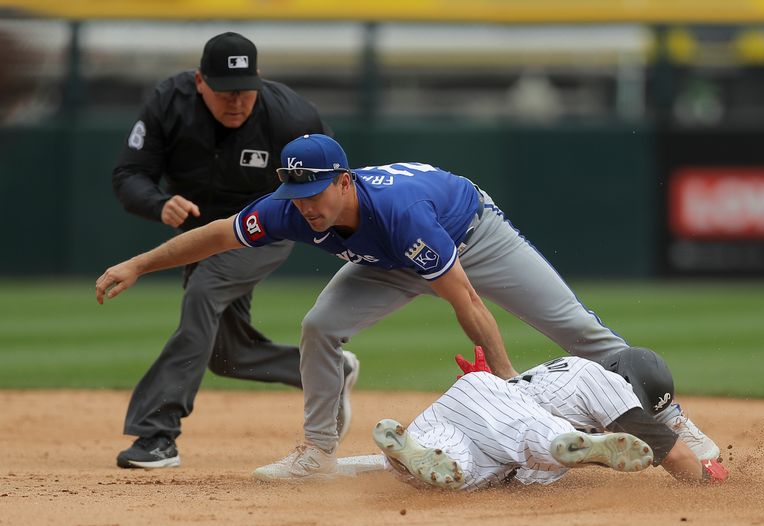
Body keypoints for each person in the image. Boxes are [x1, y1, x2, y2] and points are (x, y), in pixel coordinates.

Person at [96, 133, 718, 479]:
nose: (305, 205)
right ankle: (316, 451)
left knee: (576, 328)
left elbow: (467, 302)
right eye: (296, 193)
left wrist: (506, 385)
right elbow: (219, 233)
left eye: (315, 191)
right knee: (319, 327)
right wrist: (137, 263)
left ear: (343, 181)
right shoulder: (290, 208)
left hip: (470, 235)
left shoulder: (398, 212)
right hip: (385, 261)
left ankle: (670, 418)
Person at [110, 33, 359, 469]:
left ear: (258, 80)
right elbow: (130, 174)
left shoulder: (291, 115)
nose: (236, 101)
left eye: (245, 90)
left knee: (202, 294)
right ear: (199, 81)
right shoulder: (169, 104)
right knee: (227, 356)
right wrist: (158, 202)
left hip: (268, 225)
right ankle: (329, 372)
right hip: (200, 233)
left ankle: (157, 433)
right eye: (224, 90)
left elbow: (337, 181)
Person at [372, 347, 729, 490]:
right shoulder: (604, 380)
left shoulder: (560, 372)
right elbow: (678, 457)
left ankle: (414, 451)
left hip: (473, 398)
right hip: (520, 421)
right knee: (544, 439)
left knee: (454, 470)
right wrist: (709, 479)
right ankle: (570, 446)